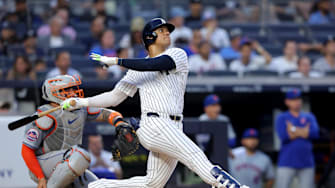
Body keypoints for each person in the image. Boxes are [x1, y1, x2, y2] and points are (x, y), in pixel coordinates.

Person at [62, 18, 249, 188]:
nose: (167, 33)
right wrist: (80, 102)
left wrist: (116, 60)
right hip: (155, 124)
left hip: (174, 126)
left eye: (168, 30)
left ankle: (97, 187)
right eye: (162, 30)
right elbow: (114, 97)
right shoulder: (136, 69)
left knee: (152, 184)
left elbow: (154, 64)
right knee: (195, 157)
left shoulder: (177, 54)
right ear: (150, 37)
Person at [21, 74, 136, 188]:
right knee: (81, 155)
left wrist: (119, 122)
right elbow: (26, 150)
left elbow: (106, 113)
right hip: (43, 166)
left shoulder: (79, 109)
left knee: (96, 185)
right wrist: (40, 177)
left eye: (72, 88)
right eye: (67, 89)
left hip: (68, 164)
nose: (73, 92)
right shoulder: (45, 116)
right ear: (54, 93)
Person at [275, 88, 319, 188]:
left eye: (298, 99)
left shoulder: (309, 116)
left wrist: (293, 129)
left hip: (307, 162)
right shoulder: (282, 117)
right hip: (286, 162)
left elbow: (314, 133)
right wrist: (304, 131)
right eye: (293, 99)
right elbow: (284, 136)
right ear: (287, 102)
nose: (297, 102)